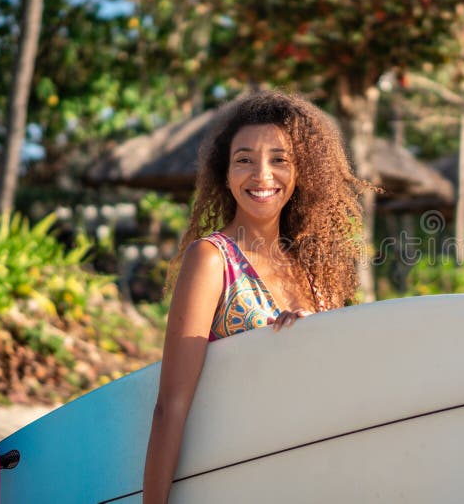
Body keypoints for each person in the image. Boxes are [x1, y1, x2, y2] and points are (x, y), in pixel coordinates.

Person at [142, 90, 369, 503]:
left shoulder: (314, 271)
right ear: (224, 173)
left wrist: (310, 334)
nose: (262, 175)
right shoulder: (213, 259)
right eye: (244, 159)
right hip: (237, 478)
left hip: (311, 476)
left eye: (279, 159)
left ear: (303, 172)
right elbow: (171, 405)